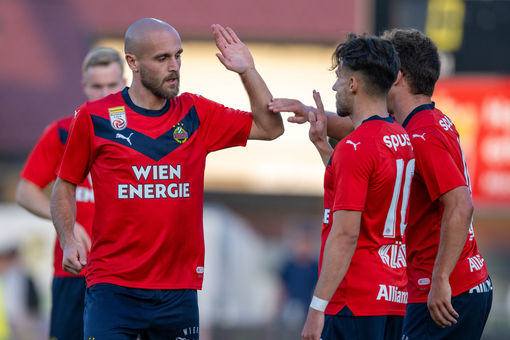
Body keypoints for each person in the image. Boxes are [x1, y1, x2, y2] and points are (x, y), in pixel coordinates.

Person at [50, 18, 283, 339]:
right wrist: (68, 238)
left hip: (178, 290)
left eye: (178, 56)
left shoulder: (196, 113)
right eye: (162, 59)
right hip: (113, 287)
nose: (174, 66)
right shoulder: (94, 117)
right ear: (132, 62)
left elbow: (271, 128)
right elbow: (65, 185)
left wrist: (247, 71)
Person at [299, 34, 414, 340]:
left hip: (353, 300)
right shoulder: (400, 138)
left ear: (353, 85)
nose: (334, 86)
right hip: (392, 297)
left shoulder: (356, 146)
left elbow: (347, 234)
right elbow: (367, 189)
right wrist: (324, 146)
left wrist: (316, 308)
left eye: (338, 78)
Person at [381, 28, 492, 339]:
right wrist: (311, 114)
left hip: (445, 292)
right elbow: (360, 125)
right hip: (462, 284)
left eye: (381, 71)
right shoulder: (428, 120)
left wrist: (440, 277)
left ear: (397, 76)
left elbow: (461, 204)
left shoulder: (422, 134)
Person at [16, 47, 125, 340]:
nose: (104, 93)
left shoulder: (141, 134)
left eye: (112, 85)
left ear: (125, 84)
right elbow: (25, 192)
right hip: (74, 269)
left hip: (127, 271)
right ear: (84, 87)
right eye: (97, 86)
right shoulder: (63, 132)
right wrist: (69, 225)